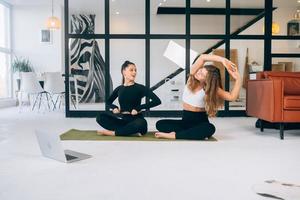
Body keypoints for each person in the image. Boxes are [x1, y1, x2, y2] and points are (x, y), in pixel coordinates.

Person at [155, 54, 241, 140]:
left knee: (210, 128)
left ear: (207, 80)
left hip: (200, 122)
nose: (198, 72)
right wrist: (222, 60)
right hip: (185, 122)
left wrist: (238, 79)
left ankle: (175, 135)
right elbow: (202, 57)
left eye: (202, 74)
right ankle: (191, 133)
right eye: (201, 70)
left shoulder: (210, 88)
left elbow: (231, 97)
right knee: (160, 124)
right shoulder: (192, 77)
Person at [96, 60, 161, 136]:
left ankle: (114, 133)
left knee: (141, 123)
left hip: (137, 120)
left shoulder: (140, 88)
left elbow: (157, 101)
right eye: (131, 70)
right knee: (100, 117)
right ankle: (129, 131)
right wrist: (114, 107)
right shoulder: (119, 89)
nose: (134, 72)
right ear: (124, 72)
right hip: (124, 121)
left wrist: (138, 108)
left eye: (135, 70)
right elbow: (108, 102)